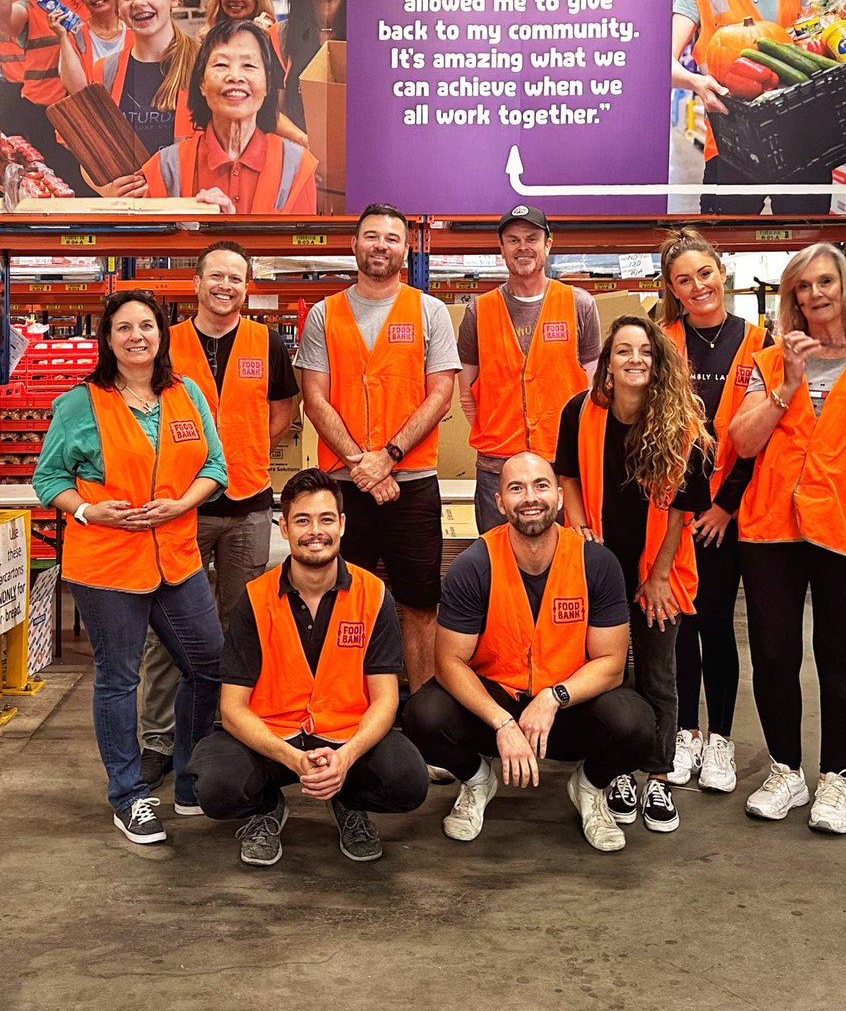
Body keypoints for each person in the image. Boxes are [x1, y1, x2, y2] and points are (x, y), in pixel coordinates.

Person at [729, 243, 846, 834]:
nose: (815, 295)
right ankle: (786, 771)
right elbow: (742, 441)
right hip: (772, 532)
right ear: (792, 299)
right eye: (802, 288)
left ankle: (835, 779)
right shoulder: (767, 363)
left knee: (841, 659)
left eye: (824, 282)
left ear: (844, 288)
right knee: (774, 655)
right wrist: (788, 382)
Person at [32, 290, 227, 845]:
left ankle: (189, 778)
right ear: (108, 339)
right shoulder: (80, 403)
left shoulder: (185, 392)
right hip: (107, 564)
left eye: (147, 325)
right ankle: (129, 795)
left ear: (162, 333)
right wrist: (90, 509)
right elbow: (50, 479)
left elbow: (215, 464)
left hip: (177, 557)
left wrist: (183, 503)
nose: (137, 335)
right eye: (124, 327)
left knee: (207, 661)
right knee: (119, 678)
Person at [404, 452, 657, 853]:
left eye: (540, 485)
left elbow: (611, 665)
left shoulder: (596, 562)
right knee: (423, 713)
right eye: (516, 488)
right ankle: (478, 781)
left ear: (558, 496)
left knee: (637, 723)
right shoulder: (475, 565)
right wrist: (502, 722)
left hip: (567, 708)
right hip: (496, 704)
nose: (530, 497)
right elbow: (449, 662)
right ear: (499, 502)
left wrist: (555, 697)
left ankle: (588, 787)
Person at [189, 467, 428, 867]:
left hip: (346, 735)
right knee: (214, 786)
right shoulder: (255, 598)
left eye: (325, 519)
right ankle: (267, 809)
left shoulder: (373, 594)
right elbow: (232, 708)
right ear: (283, 528)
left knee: (408, 781)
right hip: (272, 735)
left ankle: (347, 802)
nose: (314, 531)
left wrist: (347, 758)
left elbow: (385, 700)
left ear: (343, 525)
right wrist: (292, 758)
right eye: (302, 520)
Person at [138, 240, 300, 790]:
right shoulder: (169, 343)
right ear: (197, 282)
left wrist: (244, 452)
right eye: (216, 276)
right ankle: (157, 738)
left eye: (236, 278)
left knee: (239, 622)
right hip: (181, 506)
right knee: (169, 627)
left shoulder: (265, 341)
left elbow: (282, 412)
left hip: (249, 502)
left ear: (247, 286)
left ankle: (225, 726)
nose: (226, 286)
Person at [554, 315, 712, 834]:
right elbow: (568, 476)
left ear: (657, 360)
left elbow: (680, 511)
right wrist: (577, 528)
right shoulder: (580, 412)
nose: (635, 359)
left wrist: (660, 575)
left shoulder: (682, 423)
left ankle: (660, 776)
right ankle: (614, 772)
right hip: (599, 569)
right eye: (623, 351)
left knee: (659, 674)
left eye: (644, 350)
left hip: (660, 571)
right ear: (608, 363)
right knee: (608, 674)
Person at [297, 203, 460, 697]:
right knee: (344, 598)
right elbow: (315, 398)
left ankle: (427, 720)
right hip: (344, 491)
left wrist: (386, 457)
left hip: (411, 486)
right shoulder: (325, 314)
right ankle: (350, 709)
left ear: (406, 251)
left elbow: (440, 394)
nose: (380, 246)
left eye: (391, 238)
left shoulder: (429, 311)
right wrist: (358, 463)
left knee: (419, 602)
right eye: (371, 236)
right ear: (354, 245)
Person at [657, 228, 772, 794]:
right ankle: (686, 733)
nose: (697, 286)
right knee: (680, 628)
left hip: (731, 512)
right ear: (673, 290)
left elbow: (766, 436)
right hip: (673, 512)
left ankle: (721, 739)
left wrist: (725, 507)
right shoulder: (662, 341)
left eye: (704, 274)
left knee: (718, 626)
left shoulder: (758, 342)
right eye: (684, 280)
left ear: (721, 273)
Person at [671, 0, 824, 215]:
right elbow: (662, 61)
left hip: (803, 140)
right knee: (724, 248)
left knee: (807, 253)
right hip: (732, 145)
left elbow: (837, 35)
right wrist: (696, 82)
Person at [457, 204, 601, 533]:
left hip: (561, 465)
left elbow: (594, 391)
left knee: (566, 565)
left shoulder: (579, 305)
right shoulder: (478, 312)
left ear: (548, 244)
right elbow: (467, 394)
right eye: (513, 240)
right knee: (499, 562)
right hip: (496, 467)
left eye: (532, 238)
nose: (523, 247)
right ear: (502, 248)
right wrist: (499, 432)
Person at [141, 20, 318, 216]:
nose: (235, 76)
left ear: (268, 84)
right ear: (201, 83)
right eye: (221, 64)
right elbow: (158, 246)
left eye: (249, 65)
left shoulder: (297, 165)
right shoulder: (164, 167)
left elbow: (300, 245)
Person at [0, 0, 99, 193]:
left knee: (90, 178)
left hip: (83, 105)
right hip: (42, 112)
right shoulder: (27, 11)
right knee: (59, 181)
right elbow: (3, 19)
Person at [90, 0, 198, 198]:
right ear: (117, 8)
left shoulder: (204, 63)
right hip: (131, 217)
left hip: (190, 212)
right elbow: (88, 155)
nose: (139, 2)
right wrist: (107, 190)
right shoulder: (106, 71)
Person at [272, 0, 346, 134]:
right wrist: (309, 144)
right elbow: (273, 110)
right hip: (300, 155)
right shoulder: (280, 37)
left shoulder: (371, 34)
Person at [51, 0, 127, 92]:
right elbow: (75, 89)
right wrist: (63, 36)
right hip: (93, 109)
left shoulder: (134, 29)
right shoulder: (75, 37)